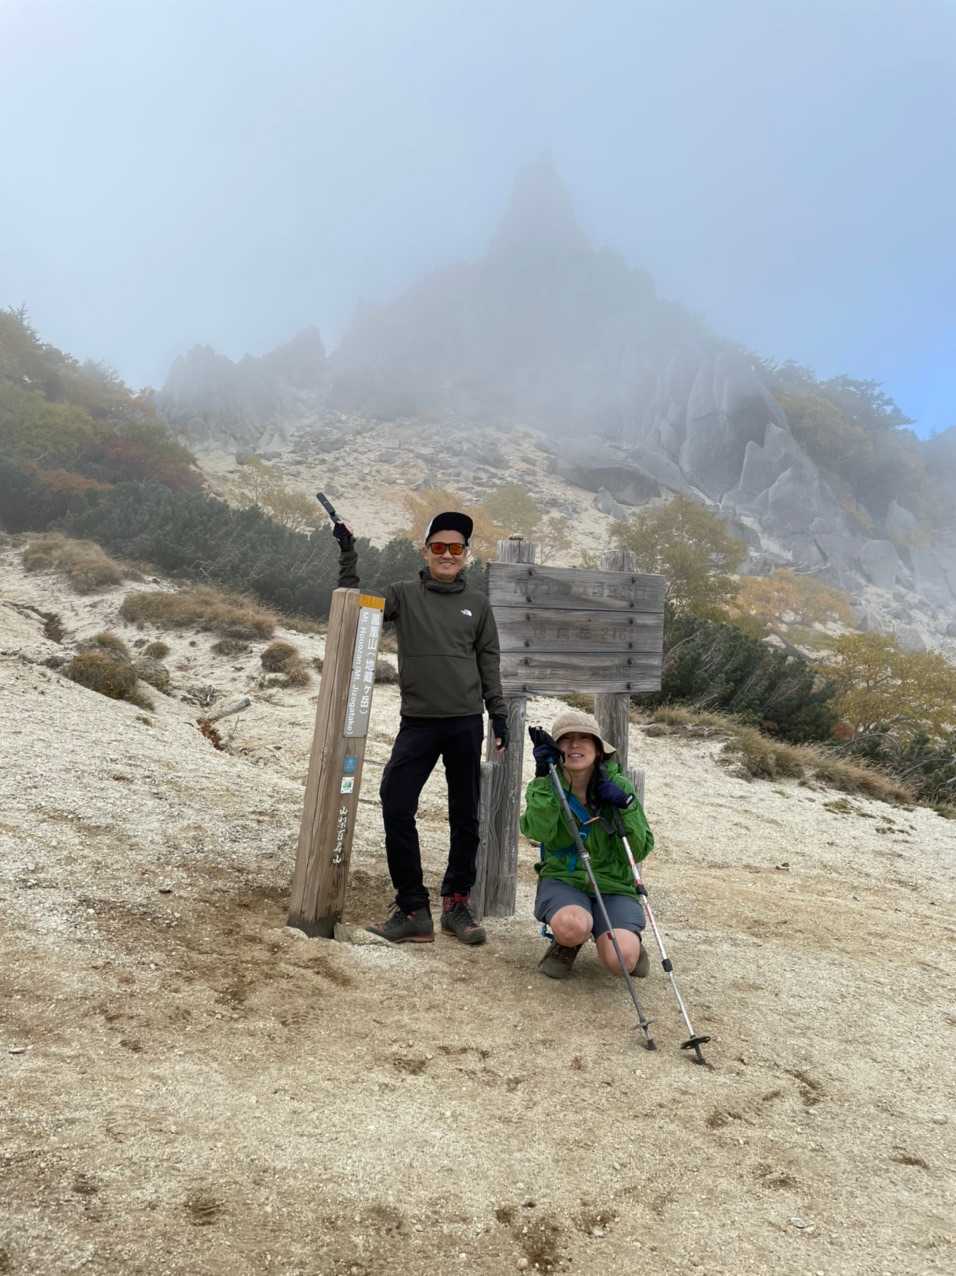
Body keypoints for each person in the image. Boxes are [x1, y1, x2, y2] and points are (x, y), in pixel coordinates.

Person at [334, 510, 507, 946]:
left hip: (465, 721)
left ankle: (456, 905)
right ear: (425, 551)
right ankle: (413, 908)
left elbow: (488, 660)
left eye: (456, 548)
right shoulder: (402, 595)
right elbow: (357, 613)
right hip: (418, 722)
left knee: (465, 815)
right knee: (396, 801)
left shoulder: (478, 604)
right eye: (439, 547)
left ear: (466, 554)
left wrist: (498, 714)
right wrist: (348, 554)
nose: (447, 554)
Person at [520, 708, 654, 980]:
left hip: (614, 884)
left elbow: (639, 850)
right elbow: (538, 831)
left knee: (621, 960)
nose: (575, 745)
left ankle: (630, 942)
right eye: (566, 739)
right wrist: (543, 779)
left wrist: (626, 806)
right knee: (572, 926)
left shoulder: (618, 786)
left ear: (598, 749)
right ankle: (567, 942)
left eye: (584, 738)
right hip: (564, 878)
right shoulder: (546, 785)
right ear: (556, 749)